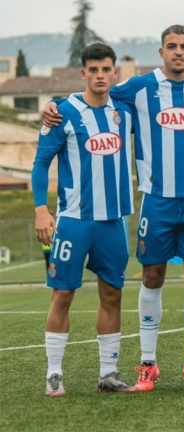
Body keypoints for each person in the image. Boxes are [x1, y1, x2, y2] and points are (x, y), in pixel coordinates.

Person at [43, 25, 184, 391]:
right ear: (160, 52)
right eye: (171, 46)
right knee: (151, 277)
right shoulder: (139, 88)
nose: (177, 52)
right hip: (155, 201)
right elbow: (95, 92)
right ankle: (148, 364)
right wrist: (54, 103)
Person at [33, 43, 135, 395]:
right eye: (93, 70)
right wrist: (40, 208)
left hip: (113, 222)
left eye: (106, 69)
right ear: (83, 74)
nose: (100, 76)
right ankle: (54, 373)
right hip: (74, 221)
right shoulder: (62, 112)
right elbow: (41, 163)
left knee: (113, 294)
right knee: (62, 294)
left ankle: (109, 373)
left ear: (115, 72)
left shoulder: (124, 109)